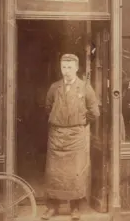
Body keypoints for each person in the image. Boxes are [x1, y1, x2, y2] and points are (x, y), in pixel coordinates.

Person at [42, 53, 100, 220]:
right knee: (54, 173)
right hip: (57, 135)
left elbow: (94, 112)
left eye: (69, 67)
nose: (66, 71)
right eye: (63, 67)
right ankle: (52, 207)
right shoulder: (54, 88)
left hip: (76, 136)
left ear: (76, 68)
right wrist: (59, 121)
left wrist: (80, 122)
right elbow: (47, 107)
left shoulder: (85, 88)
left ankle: (75, 208)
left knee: (75, 173)